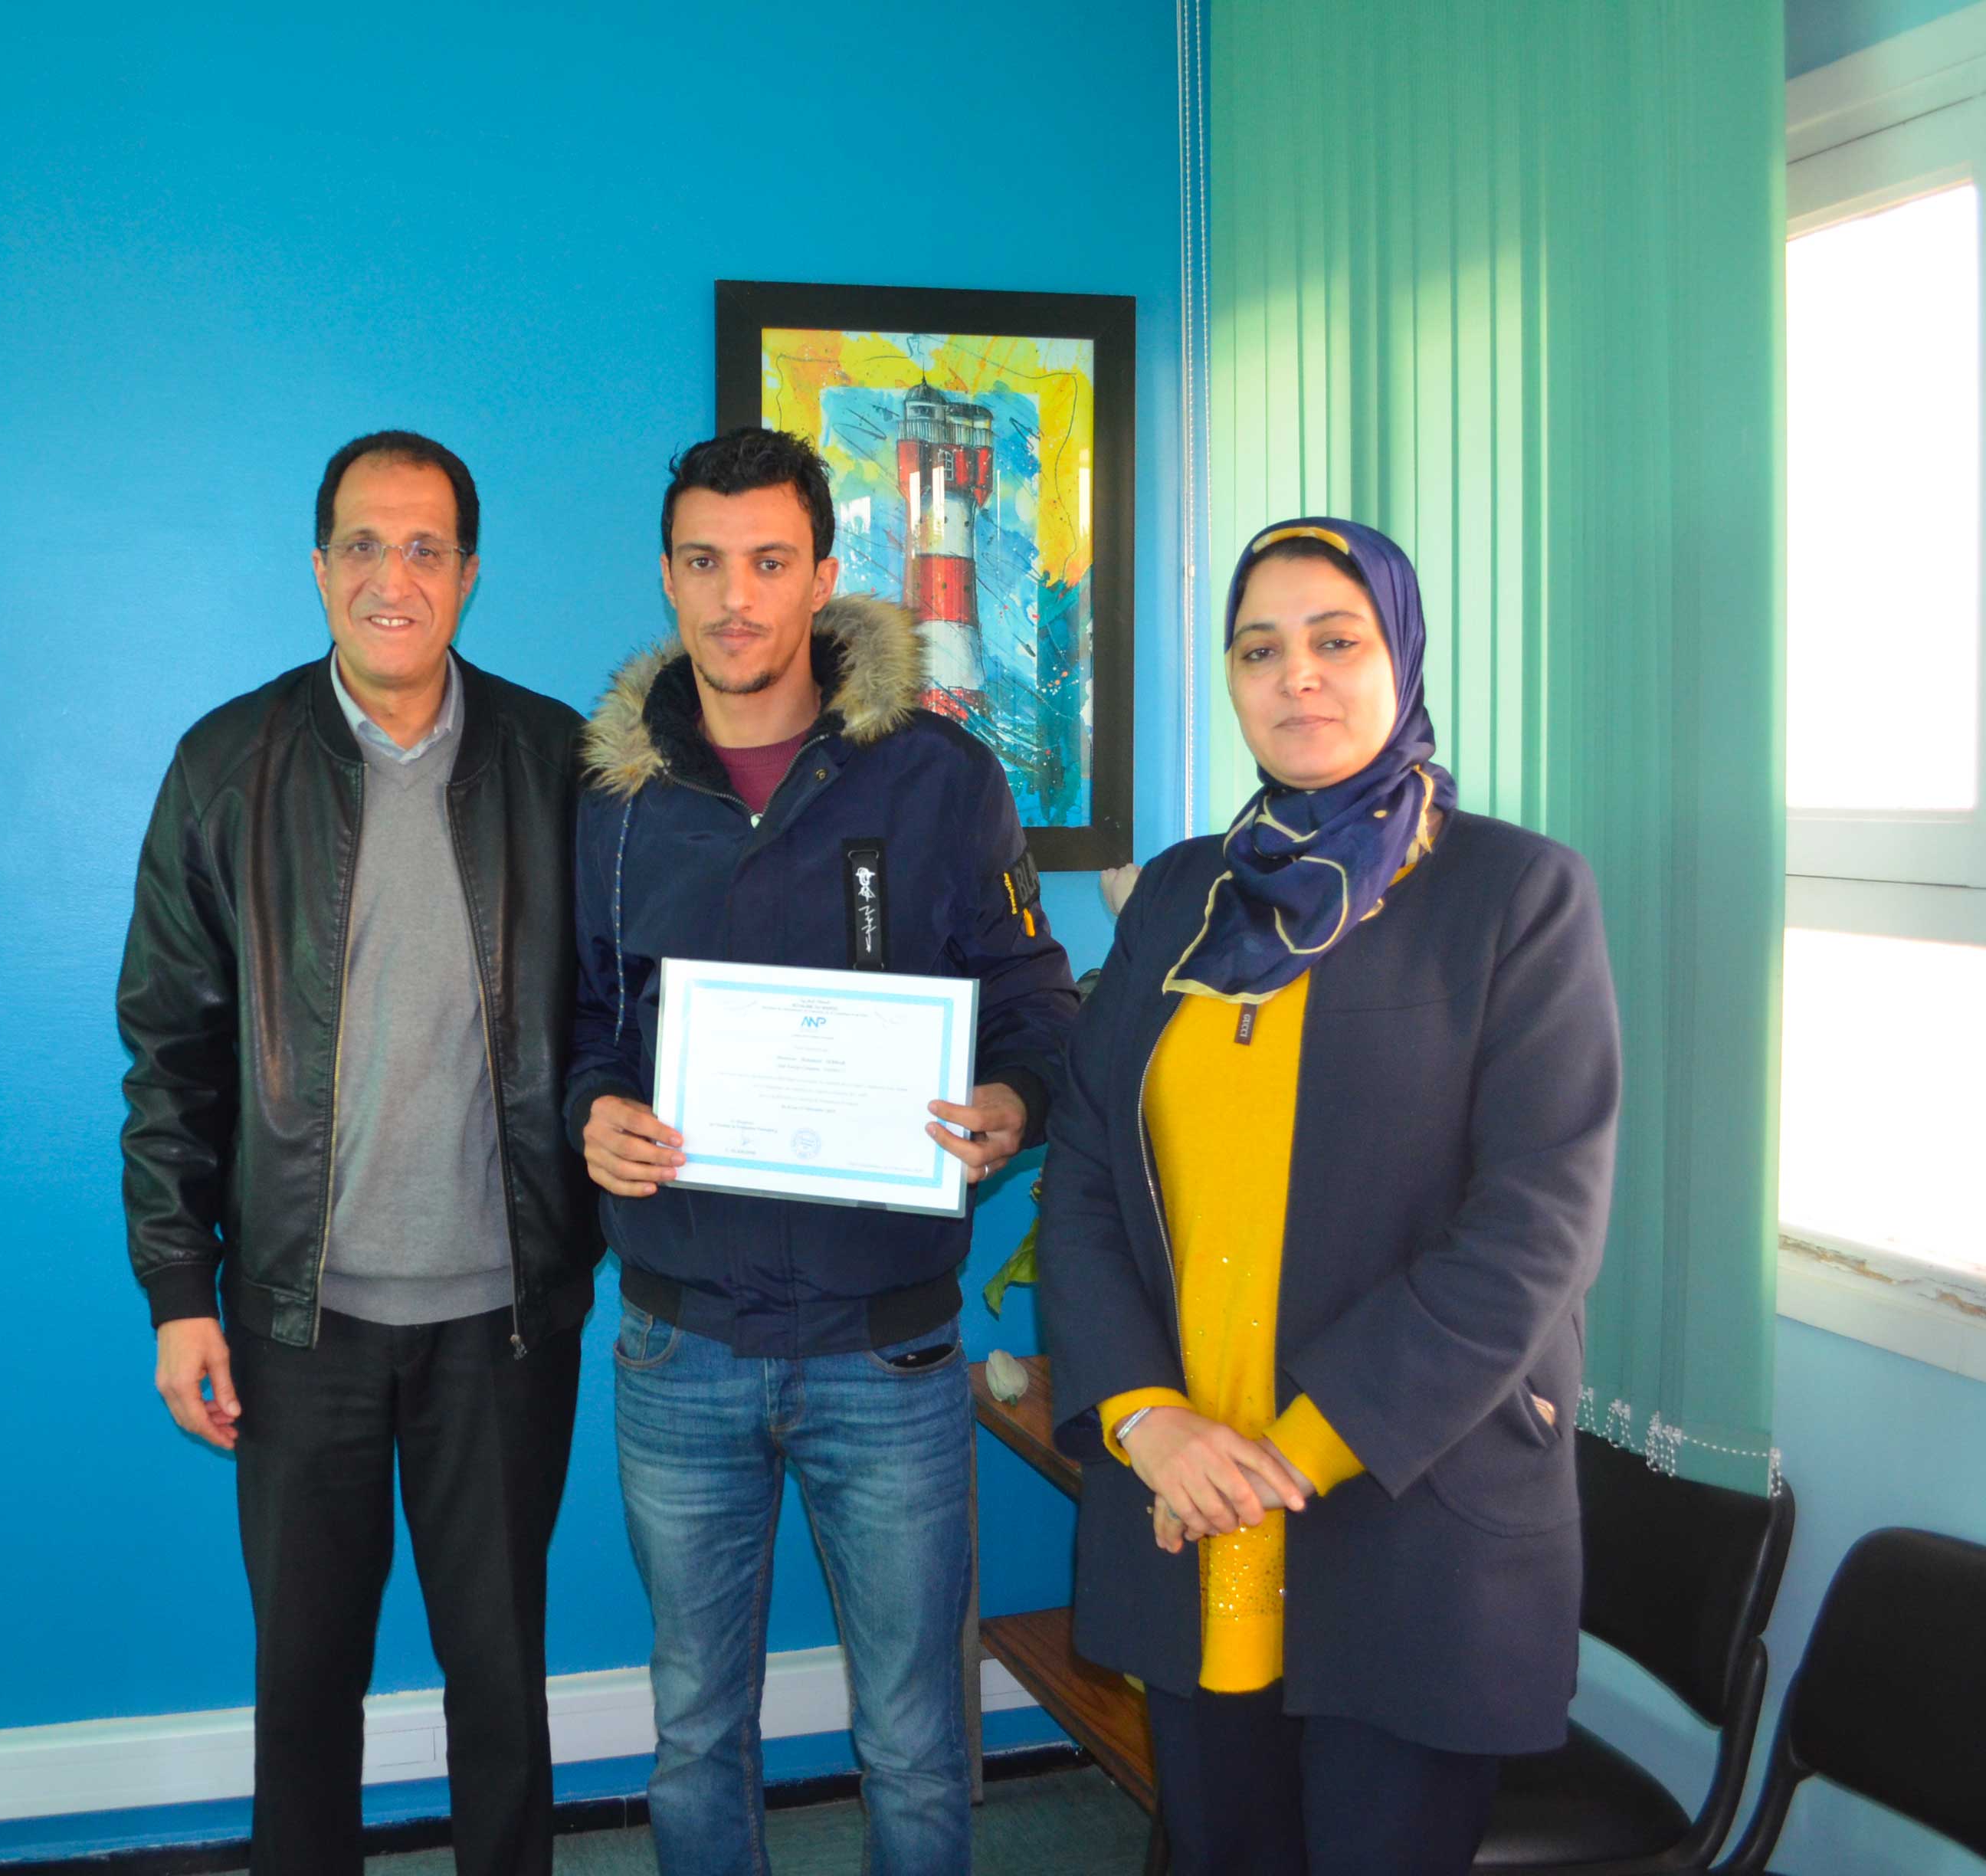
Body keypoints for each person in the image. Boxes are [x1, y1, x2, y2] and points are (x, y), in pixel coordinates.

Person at [1037, 518, 1623, 1876]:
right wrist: (1149, 1421)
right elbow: (1081, 1171)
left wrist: (1295, 1448)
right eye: (1259, 648)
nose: (1296, 675)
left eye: (1334, 639)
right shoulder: (1184, 893)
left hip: (1397, 1505)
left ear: (1400, 656)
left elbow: (1535, 1228)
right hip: (1186, 1501)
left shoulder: (1516, 893)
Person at [567, 427, 1079, 1874]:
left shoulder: (938, 778)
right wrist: (590, 1113)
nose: (737, 598)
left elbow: (1034, 998)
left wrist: (1012, 1104)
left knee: (916, 1739)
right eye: (705, 561)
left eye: (769, 561)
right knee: (693, 1728)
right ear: (667, 574)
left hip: (892, 1352)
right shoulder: (609, 795)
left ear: (824, 572)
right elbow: (585, 1020)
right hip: (681, 1345)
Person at [116, 431, 600, 1876]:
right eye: (364, 546)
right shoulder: (225, 766)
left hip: (504, 1315)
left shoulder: (556, 762)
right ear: (320, 567)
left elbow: (614, 1010)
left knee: (502, 1681)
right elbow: (171, 1053)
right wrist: (175, 1291)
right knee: (304, 1686)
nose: (395, 577)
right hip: (296, 1320)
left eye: (427, 547)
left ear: (467, 572)